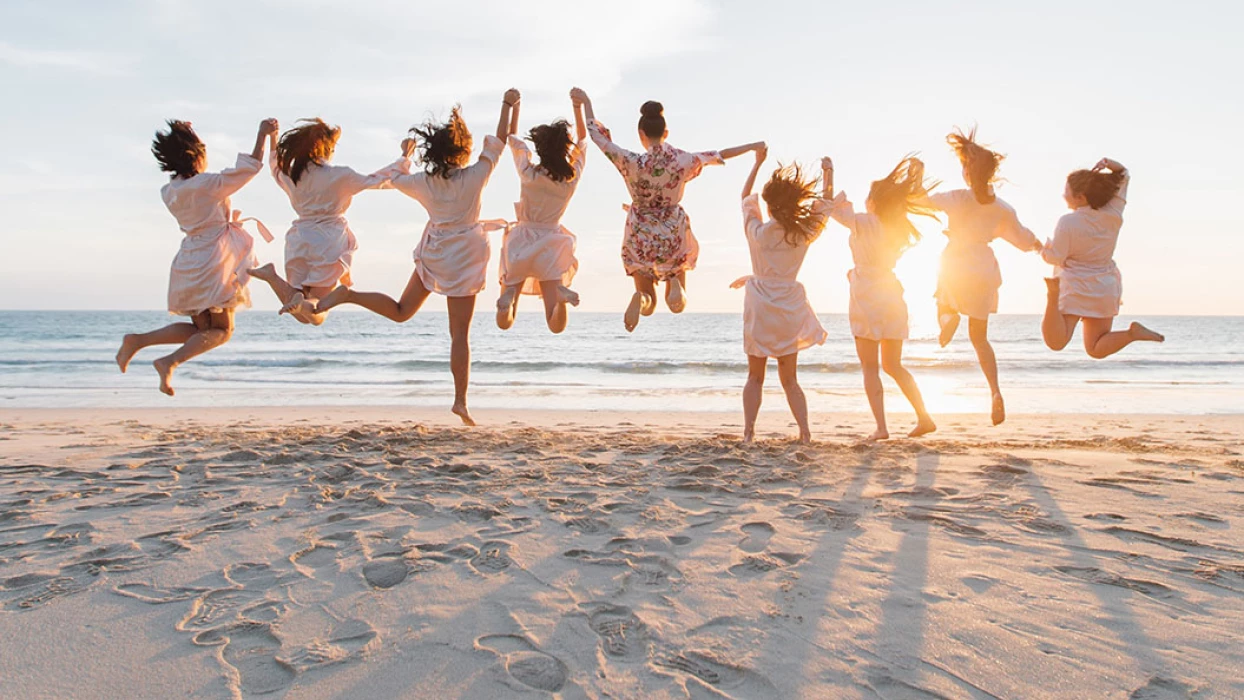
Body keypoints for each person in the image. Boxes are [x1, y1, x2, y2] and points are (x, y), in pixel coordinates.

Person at [315, 91, 519, 425]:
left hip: (436, 251)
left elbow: (394, 178)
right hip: (466, 254)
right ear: (463, 150)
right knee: (460, 335)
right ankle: (460, 401)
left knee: (401, 311)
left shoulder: (423, 182)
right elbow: (498, 141)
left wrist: (404, 155)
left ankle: (349, 295)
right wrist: (509, 107)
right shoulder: (475, 175)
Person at [570, 87, 765, 331]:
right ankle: (676, 286)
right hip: (673, 230)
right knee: (677, 305)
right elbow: (719, 154)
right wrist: (752, 147)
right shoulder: (682, 161)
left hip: (640, 230)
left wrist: (586, 102)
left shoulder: (631, 161)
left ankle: (641, 299)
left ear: (641, 134)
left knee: (649, 303)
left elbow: (600, 139)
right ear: (666, 132)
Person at [116, 118, 278, 395]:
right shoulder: (207, 184)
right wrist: (262, 135)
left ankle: (138, 340)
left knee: (200, 331)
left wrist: (187, 134)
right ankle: (169, 362)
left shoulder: (169, 191)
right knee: (222, 331)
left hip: (190, 258)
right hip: (213, 259)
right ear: (196, 156)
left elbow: (186, 174)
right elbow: (249, 167)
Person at [923, 128, 1042, 425]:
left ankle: (947, 315)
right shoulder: (1002, 208)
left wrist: (912, 183)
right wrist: (1038, 245)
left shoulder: (956, 198)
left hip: (956, 263)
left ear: (966, 171)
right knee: (979, 338)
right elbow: (1023, 239)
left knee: (943, 298)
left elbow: (923, 202)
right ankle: (995, 391)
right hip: (983, 268)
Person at [249, 118, 410, 325]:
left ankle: (277, 281)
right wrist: (405, 157)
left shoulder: (293, 174)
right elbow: (378, 180)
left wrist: (272, 137)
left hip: (299, 239)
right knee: (318, 311)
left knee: (304, 314)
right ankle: (275, 279)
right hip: (328, 240)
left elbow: (274, 167)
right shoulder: (338, 175)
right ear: (323, 148)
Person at [827, 156, 938, 441]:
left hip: (867, 294)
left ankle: (881, 427)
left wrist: (829, 172)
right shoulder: (896, 227)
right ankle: (924, 417)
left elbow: (828, 207)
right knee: (893, 365)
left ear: (874, 202)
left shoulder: (864, 222)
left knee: (870, 366)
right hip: (890, 292)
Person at [735, 147, 827, 444]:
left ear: (770, 207)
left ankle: (749, 433)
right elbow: (823, 207)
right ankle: (804, 432)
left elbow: (744, 198)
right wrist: (829, 174)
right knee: (790, 379)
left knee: (755, 376)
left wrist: (757, 163)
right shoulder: (802, 234)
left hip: (760, 302)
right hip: (789, 303)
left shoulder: (758, 232)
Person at [1041, 158, 1164, 357]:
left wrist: (1043, 250)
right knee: (1095, 349)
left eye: (1067, 191)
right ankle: (1132, 334)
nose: (1064, 195)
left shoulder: (1068, 221)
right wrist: (1108, 163)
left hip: (1075, 285)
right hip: (1104, 287)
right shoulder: (1113, 212)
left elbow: (1055, 257)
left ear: (1080, 197)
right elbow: (1123, 174)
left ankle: (1052, 295)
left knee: (1057, 342)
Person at [494, 90, 588, 333]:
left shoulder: (529, 173)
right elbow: (583, 142)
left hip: (522, 241)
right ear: (563, 149)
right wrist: (578, 107)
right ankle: (560, 298)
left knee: (505, 321)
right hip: (552, 242)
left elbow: (512, 138)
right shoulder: (570, 178)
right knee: (555, 325)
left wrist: (514, 107)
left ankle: (507, 303)